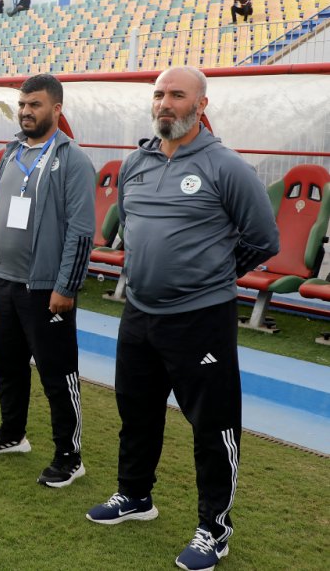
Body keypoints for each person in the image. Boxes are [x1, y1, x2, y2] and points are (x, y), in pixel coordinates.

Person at [85, 67, 279, 571]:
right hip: (140, 312)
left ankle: (215, 530)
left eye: (176, 94)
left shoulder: (226, 166)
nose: (165, 103)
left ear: (201, 103)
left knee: (213, 426)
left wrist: (210, 275)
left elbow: (264, 240)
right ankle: (135, 496)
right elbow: (132, 225)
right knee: (137, 411)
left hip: (200, 319)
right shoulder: (136, 163)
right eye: (159, 95)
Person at [0, 74, 95, 487]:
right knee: (5, 363)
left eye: (35, 105)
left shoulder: (71, 159)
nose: (26, 112)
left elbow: (81, 231)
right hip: (5, 280)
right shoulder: (9, 153)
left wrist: (67, 286)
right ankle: (12, 434)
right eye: (23, 105)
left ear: (56, 109)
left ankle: (69, 455)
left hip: (45, 287)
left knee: (58, 374)